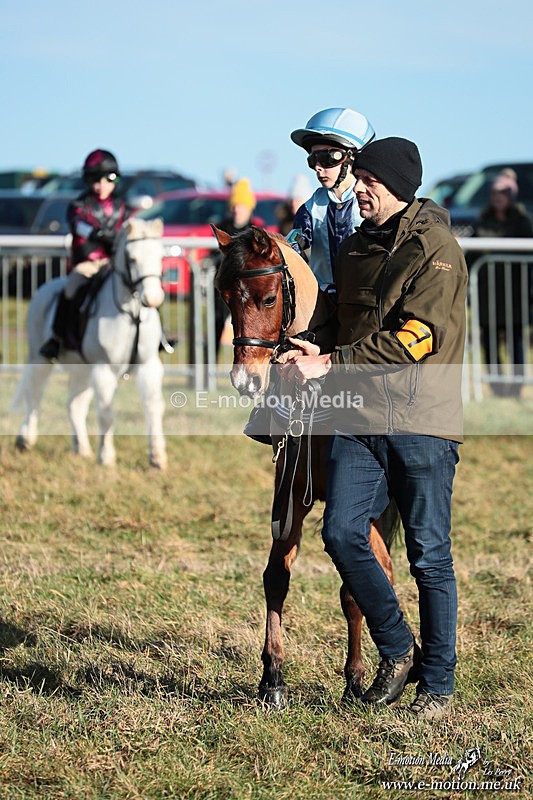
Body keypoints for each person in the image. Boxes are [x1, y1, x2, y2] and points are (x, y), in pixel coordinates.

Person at [281, 137, 468, 720]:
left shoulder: (436, 248)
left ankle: (437, 687)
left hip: (421, 421)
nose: (357, 188)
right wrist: (310, 345)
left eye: (369, 180)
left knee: (428, 556)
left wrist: (331, 364)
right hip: (358, 418)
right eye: (357, 177)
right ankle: (398, 647)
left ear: (399, 188)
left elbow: (415, 338)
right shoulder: (357, 245)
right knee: (341, 533)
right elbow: (346, 323)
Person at [40, 149, 129, 360]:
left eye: (108, 179)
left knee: (143, 286)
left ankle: (158, 336)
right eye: (95, 179)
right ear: (88, 180)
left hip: (113, 263)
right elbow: (79, 225)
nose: (102, 185)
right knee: (71, 290)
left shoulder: (121, 205)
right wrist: (98, 235)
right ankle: (56, 338)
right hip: (88, 263)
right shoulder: (79, 205)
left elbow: (127, 227)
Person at [286, 107, 376, 291]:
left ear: (353, 157)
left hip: (365, 299)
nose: (318, 167)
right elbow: (293, 244)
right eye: (313, 159)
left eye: (327, 158)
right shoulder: (312, 207)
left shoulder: (374, 202)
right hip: (324, 300)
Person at [471, 170, 533, 397]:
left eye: (504, 192)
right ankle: (495, 386)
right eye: (495, 192)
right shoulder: (483, 221)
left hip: (515, 295)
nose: (498, 196)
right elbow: (472, 256)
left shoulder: (523, 222)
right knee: (489, 341)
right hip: (488, 294)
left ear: (512, 195)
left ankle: (516, 386)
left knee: (516, 340)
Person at [214, 178, 258, 355]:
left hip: (247, 289)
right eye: (234, 205)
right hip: (224, 287)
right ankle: (210, 361)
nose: (237, 209)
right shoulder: (222, 227)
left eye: (241, 205)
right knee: (216, 321)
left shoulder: (255, 231)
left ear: (250, 207)